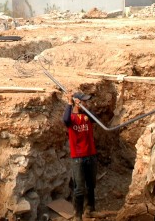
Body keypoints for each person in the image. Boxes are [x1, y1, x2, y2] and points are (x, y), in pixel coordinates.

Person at [63, 90, 97, 220]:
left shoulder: (87, 116)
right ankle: (78, 215)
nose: (86, 103)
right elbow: (65, 120)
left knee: (91, 184)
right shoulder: (71, 118)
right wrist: (69, 103)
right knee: (79, 188)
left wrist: (83, 108)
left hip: (91, 155)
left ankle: (90, 208)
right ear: (77, 102)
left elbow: (95, 119)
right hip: (78, 158)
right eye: (83, 101)